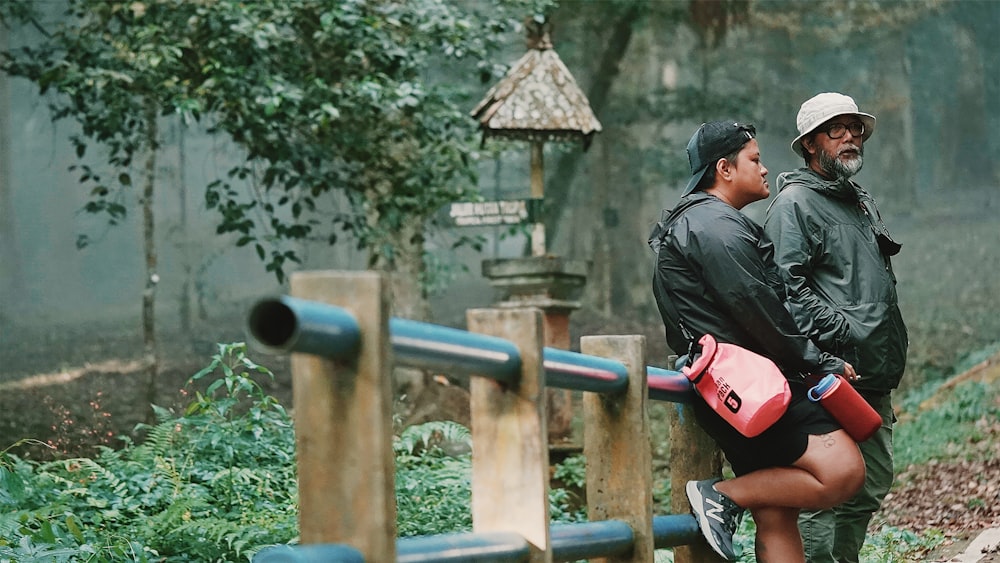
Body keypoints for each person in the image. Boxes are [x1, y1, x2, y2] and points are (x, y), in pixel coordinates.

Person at [649, 120, 865, 562]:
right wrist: (818, 360)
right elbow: (759, 310)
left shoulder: (701, 223)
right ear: (724, 169)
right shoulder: (713, 227)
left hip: (731, 389)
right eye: (755, 159)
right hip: (757, 385)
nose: (765, 170)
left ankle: (732, 496)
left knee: (776, 513)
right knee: (844, 471)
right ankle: (723, 496)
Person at [763, 92, 908, 563]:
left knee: (871, 483)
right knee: (825, 495)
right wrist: (843, 333)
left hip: (873, 373)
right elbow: (785, 289)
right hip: (829, 377)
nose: (850, 137)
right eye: (835, 129)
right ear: (809, 144)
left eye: (855, 128)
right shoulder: (795, 205)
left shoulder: (857, 199)